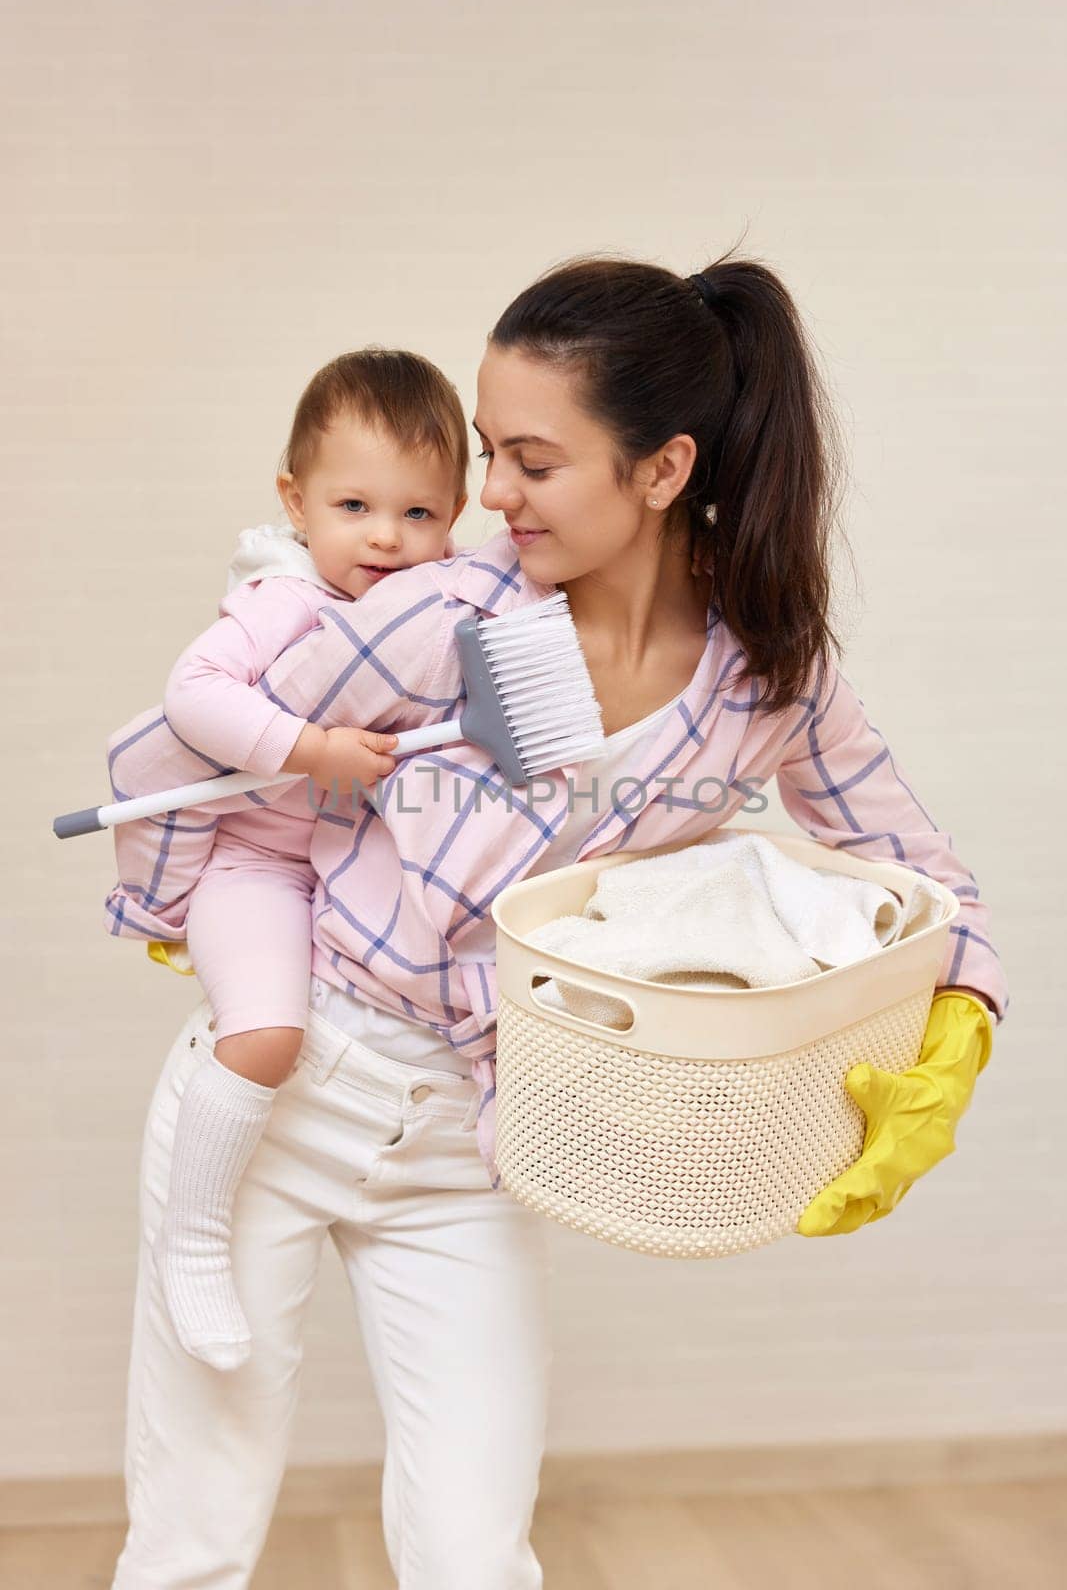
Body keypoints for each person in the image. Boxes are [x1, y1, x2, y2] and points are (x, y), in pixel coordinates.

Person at [105, 251, 1008, 1590]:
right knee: (195, 1537)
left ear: (659, 470)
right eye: (487, 454)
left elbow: (914, 864)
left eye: (532, 461)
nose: (486, 497)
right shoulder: (445, 614)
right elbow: (194, 747)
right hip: (283, 1090)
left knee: (475, 1553)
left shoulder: (767, 676)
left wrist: (957, 1020)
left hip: (476, 1137)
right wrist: (180, 902)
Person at [111, 349, 468, 1374]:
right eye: (354, 504)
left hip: (350, 861)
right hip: (257, 868)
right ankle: (194, 1243)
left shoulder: (438, 606)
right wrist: (310, 749)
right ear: (294, 501)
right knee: (267, 1035)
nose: (386, 539)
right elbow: (195, 694)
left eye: (420, 513)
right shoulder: (284, 594)